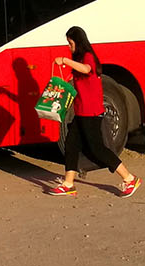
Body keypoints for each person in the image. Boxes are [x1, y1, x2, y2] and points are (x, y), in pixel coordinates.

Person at [43, 26, 139, 197]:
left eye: (70, 43)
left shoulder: (88, 57)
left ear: (78, 42)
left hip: (91, 112)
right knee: (71, 145)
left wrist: (65, 61)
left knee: (98, 149)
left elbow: (87, 69)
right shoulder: (81, 60)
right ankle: (68, 183)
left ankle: (129, 178)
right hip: (81, 111)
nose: (69, 47)